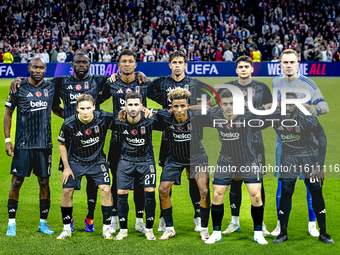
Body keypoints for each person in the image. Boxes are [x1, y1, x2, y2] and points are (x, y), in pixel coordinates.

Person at [208, 56, 271, 236]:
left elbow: (270, 105)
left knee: (257, 184)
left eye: (246, 66)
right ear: (236, 70)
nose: (243, 69)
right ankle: (235, 222)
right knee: (233, 181)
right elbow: (213, 104)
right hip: (231, 139)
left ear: (252, 69)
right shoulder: (227, 87)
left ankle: (261, 224)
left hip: (254, 141)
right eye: (240, 67)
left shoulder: (261, 87)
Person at [271, 49, 329, 237]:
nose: (288, 65)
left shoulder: (307, 83)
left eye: (292, 62)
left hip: (307, 145)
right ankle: (281, 226)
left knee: (310, 185)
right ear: (280, 64)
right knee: (283, 185)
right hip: (284, 144)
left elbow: (324, 107)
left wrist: (310, 109)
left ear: (298, 64)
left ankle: (312, 223)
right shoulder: (276, 82)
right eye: (285, 62)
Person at [264, 93, 334, 244]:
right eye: (284, 104)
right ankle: (283, 233)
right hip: (288, 155)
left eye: (291, 104)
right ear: (280, 105)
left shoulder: (306, 117)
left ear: (296, 105)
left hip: (309, 154)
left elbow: (322, 138)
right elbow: (252, 117)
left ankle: (323, 232)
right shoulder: (274, 116)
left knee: (316, 190)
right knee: (286, 191)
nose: (288, 108)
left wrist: (319, 166)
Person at [4, 57, 62, 236]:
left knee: (44, 182)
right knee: (16, 182)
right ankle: (11, 223)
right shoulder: (18, 87)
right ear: (29, 68)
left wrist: (74, 117)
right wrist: (7, 140)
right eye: (35, 67)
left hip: (44, 145)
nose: (38, 70)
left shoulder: (51, 88)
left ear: (46, 70)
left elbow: (56, 109)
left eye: (41, 68)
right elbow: (8, 114)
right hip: (23, 144)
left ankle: (43, 223)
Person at [100, 49, 152, 234]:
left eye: (131, 61)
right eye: (124, 61)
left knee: (139, 181)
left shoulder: (144, 83)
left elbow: (164, 98)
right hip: (117, 140)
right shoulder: (112, 84)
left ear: (135, 65)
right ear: (119, 65)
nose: (127, 64)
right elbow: (95, 98)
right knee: (116, 179)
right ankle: (114, 219)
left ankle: (139, 220)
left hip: (141, 140)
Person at [156, 87, 211, 241]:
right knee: (163, 189)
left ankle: (204, 228)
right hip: (174, 159)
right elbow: (144, 110)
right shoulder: (165, 117)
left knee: (205, 191)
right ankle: (169, 228)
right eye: (175, 106)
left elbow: (215, 108)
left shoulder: (198, 117)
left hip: (197, 157)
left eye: (182, 106)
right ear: (170, 108)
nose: (179, 110)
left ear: (188, 106)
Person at [56, 94, 113, 240]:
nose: (86, 111)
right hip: (76, 161)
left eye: (88, 108)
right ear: (77, 109)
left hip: (97, 161)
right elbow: (61, 143)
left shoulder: (103, 118)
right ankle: (67, 228)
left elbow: (122, 118)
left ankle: (107, 229)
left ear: (94, 107)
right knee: (67, 191)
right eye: (82, 108)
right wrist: (67, 167)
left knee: (106, 189)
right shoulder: (69, 123)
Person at [113, 92, 163, 241]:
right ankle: (123, 230)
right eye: (130, 105)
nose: (133, 108)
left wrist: (151, 110)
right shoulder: (118, 120)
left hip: (146, 161)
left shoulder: (150, 120)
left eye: (136, 104)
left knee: (149, 192)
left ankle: (149, 229)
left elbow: (168, 116)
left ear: (141, 106)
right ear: (125, 106)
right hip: (126, 161)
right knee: (121, 193)